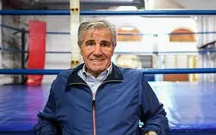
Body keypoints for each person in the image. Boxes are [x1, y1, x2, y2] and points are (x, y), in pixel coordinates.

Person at [33, 19, 169, 135]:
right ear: (80, 48)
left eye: (104, 44)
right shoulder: (63, 81)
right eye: (90, 43)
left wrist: (151, 133)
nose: (97, 52)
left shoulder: (134, 80)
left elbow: (157, 116)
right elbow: (47, 120)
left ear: (113, 47)